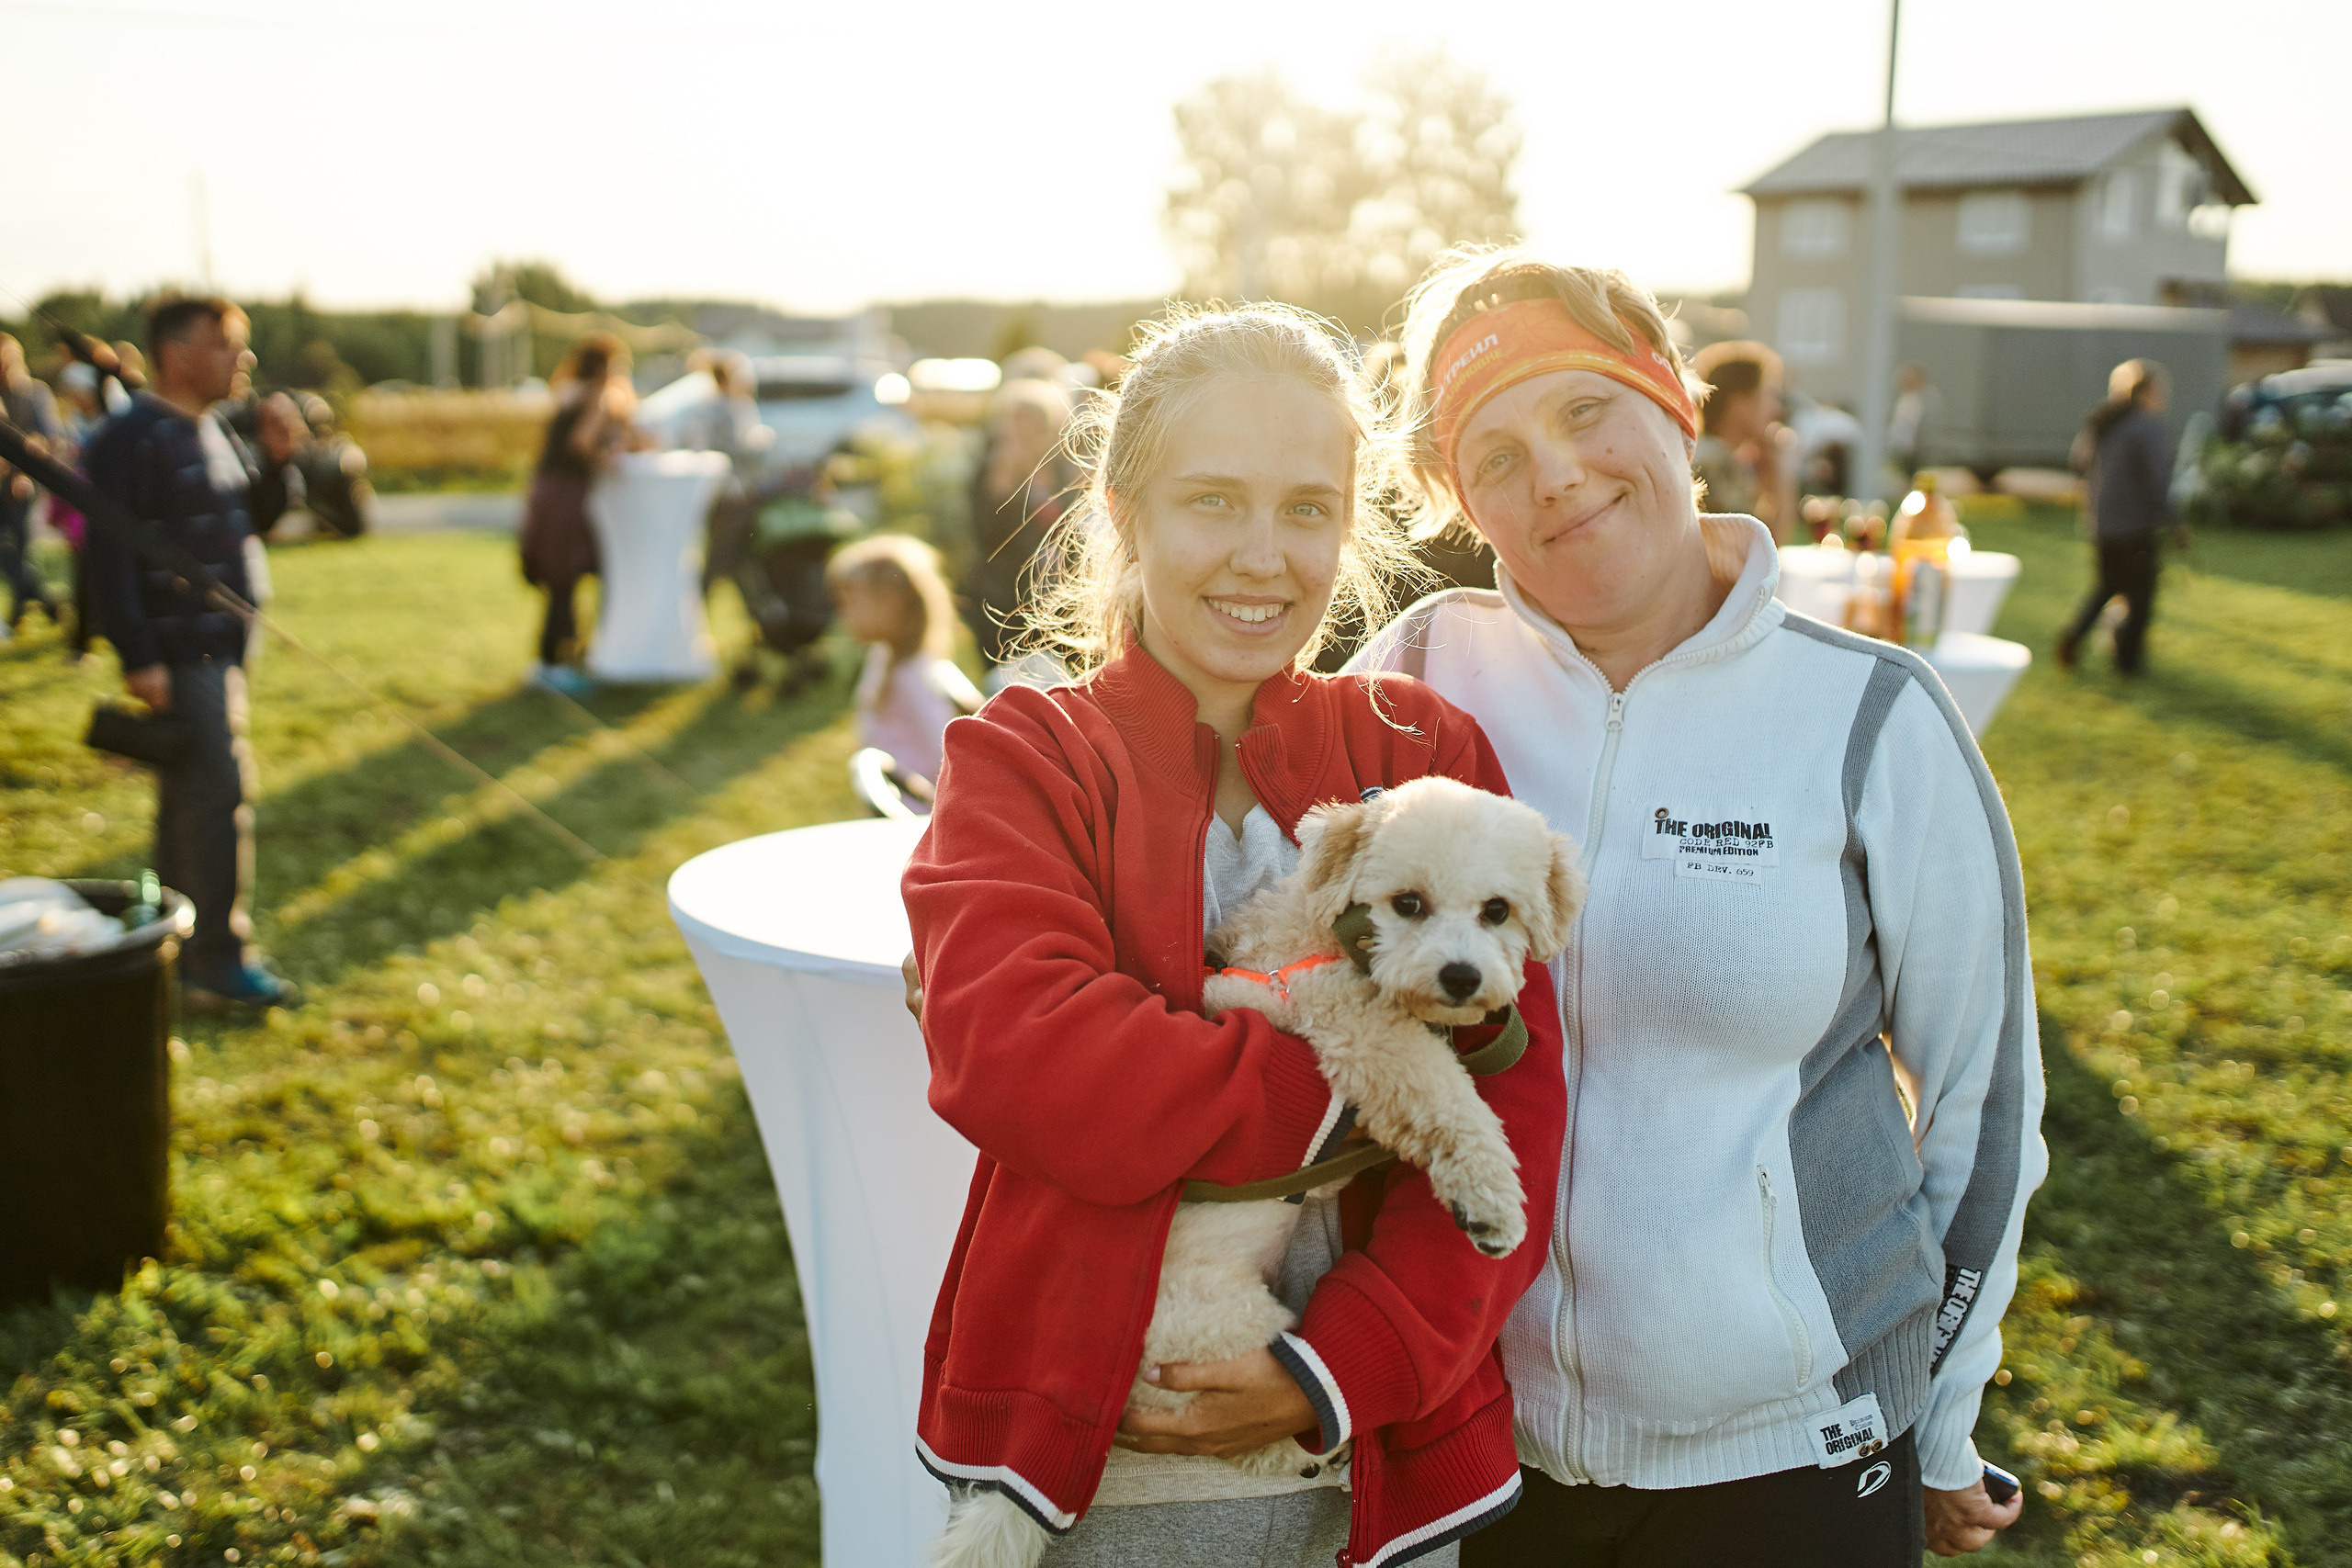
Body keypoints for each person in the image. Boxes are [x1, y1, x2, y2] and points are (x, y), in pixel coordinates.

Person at [1349, 248, 2044, 1562]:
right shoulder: (1420, 675)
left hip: (1793, 1455)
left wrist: (1937, 1417)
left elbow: (1983, 1103)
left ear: (1674, 400)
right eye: (1493, 455)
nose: (1553, 472)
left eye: (1581, 409)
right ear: (1460, 503)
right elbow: (1271, 913)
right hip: (1477, 1438)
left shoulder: (1872, 711)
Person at [900, 304, 1566, 1568]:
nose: (1264, 557)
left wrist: (1341, 1364)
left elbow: (1518, 1102)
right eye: (1214, 500)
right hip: (1116, 1463)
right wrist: (1379, 1086)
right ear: (1123, 512)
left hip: (1389, 1453)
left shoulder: (1424, 754)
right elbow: (1028, 1063)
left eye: (1308, 508)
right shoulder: (1024, 760)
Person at [82, 296, 300, 1010]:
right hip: (181, 655)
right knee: (217, 798)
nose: (245, 359)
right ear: (178, 353)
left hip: (225, 649)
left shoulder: (211, 427)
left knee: (190, 802)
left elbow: (250, 524)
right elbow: (104, 556)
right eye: (227, 344)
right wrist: (138, 654)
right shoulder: (130, 437)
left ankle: (170, 949)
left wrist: (275, 461)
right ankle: (217, 961)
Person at [520, 333, 644, 694]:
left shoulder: (568, 392)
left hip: (548, 492)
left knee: (561, 579)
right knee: (566, 577)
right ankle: (558, 664)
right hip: (567, 497)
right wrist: (607, 460)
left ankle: (558, 659)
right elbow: (581, 443)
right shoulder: (597, 397)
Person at [826, 533, 978, 802]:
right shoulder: (882, 657)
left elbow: (946, 757)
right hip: (890, 799)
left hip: (916, 818)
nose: (843, 614)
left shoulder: (917, 676)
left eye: (850, 602)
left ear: (891, 603)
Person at [2058, 360, 2178, 675]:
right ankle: (2127, 662)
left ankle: (2073, 638)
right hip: (2134, 526)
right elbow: (2157, 481)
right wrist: (2175, 523)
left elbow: (2078, 463)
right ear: (2148, 391)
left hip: (2101, 521)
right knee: (2141, 596)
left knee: (2107, 586)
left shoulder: (2105, 421)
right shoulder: (2145, 425)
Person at [964, 370, 1077, 678]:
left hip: (1058, 594)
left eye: (1034, 423)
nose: (1023, 431)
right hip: (1006, 597)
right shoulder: (993, 471)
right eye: (1016, 421)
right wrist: (1005, 480)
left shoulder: (1061, 467)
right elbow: (987, 531)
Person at [1689, 339, 1796, 540]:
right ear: (1738, 402)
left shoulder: (1708, 453)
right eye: (1768, 395)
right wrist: (1782, 473)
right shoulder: (1717, 463)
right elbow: (1762, 549)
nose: (1776, 409)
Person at [0, 333, 64, 633]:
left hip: (24, 482)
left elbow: (48, 435)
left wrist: (23, 472)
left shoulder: (35, 392)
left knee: (21, 547)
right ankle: (43, 600)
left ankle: (17, 615)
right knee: (7, 552)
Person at [1888, 362, 1940, 481]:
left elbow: (1927, 427)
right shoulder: (1903, 399)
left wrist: (1919, 445)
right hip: (1900, 449)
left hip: (1916, 452)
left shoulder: (1926, 399)